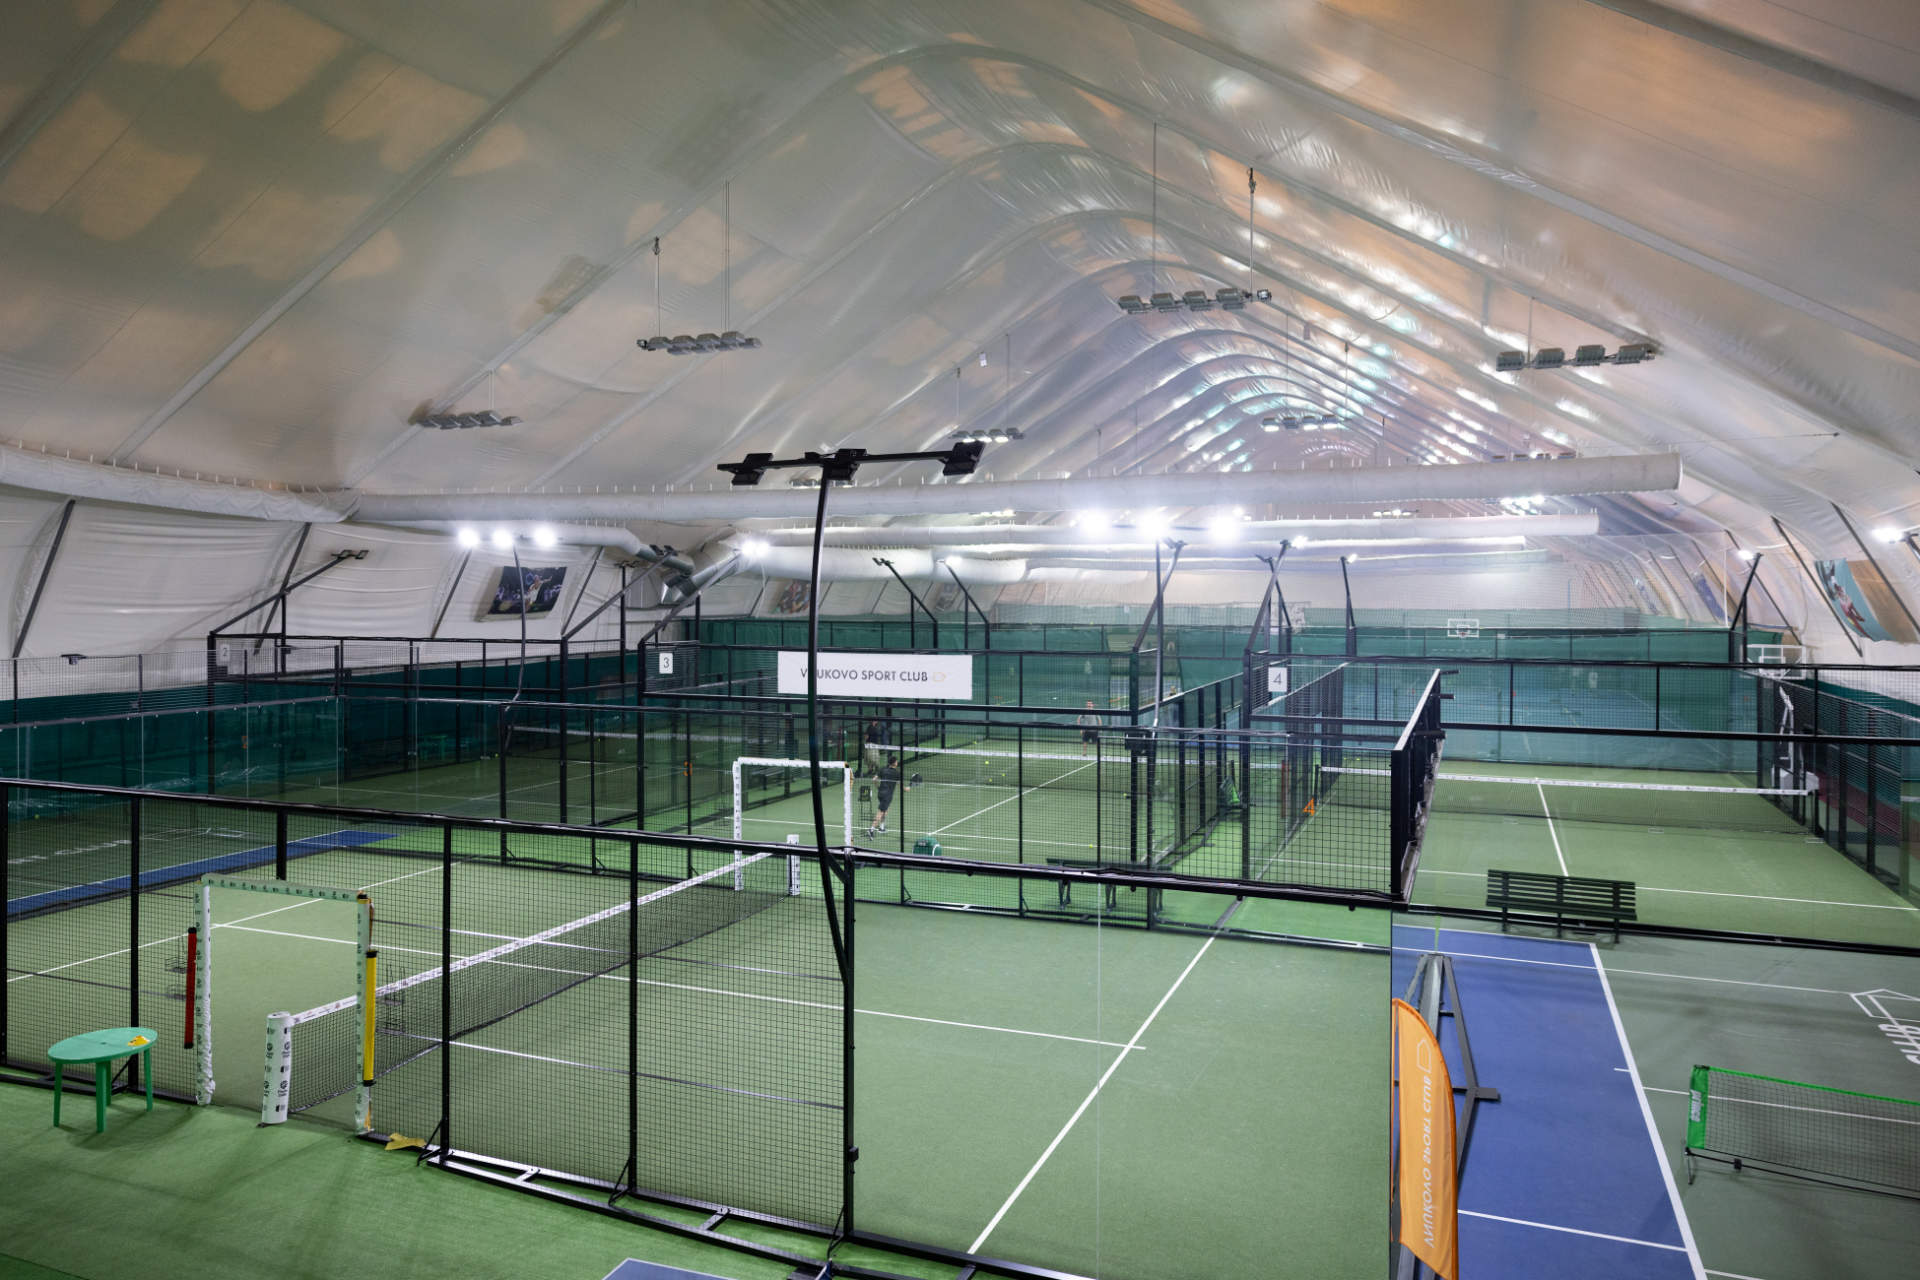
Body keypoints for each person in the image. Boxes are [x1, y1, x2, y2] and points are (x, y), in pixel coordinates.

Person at [866, 754, 902, 835]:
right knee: (881, 812)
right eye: (896, 761)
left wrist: (877, 787)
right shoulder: (896, 773)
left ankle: (882, 828)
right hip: (887, 795)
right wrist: (906, 789)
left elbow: (874, 779)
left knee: (885, 810)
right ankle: (871, 829)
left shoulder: (883, 769)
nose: (897, 762)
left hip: (881, 793)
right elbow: (900, 785)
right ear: (894, 763)